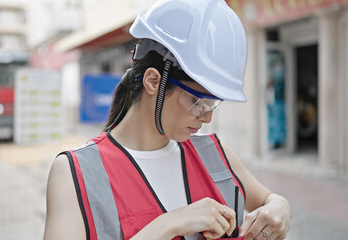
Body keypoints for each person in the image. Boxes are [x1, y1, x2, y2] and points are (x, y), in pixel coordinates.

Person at [43, 0, 292, 239]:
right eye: (198, 102)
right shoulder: (76, 172)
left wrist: (280, 209)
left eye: (214, 103)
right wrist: (170, 223)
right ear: (153, 81)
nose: (207, 117)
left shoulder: (216, 155)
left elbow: (271, 199)